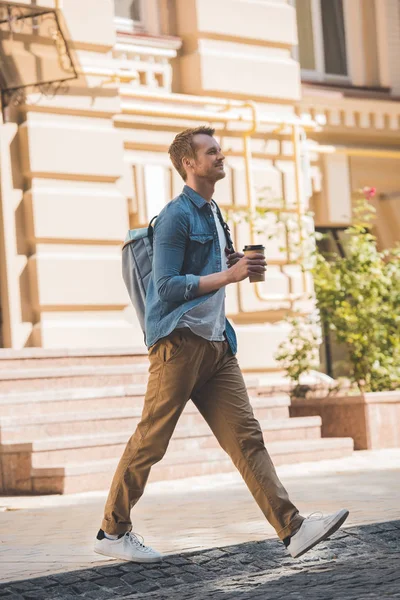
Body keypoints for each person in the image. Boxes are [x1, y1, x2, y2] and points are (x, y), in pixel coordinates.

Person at [94, 126, 349, 563]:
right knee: (151, 440)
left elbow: (208, 267)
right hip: (179, 344)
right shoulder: (176, 215)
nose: (221, 155)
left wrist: (235, 264)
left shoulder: (214, 211)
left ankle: (293, 530)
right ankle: (111, 532)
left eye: (220, 150)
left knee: (248, 439)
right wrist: (228, 276)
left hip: (215, 345)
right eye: (211, 152)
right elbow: (168, 287)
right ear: (189, 164)